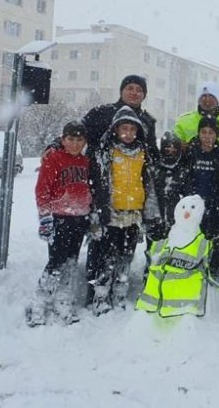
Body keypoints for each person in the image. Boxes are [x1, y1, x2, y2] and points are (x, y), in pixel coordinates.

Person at [87, 106, 161, 315]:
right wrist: (100, 211)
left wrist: (150, 212)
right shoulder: (106, 151)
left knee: (126, 257)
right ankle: (100, 296)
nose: (128, 133)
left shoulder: (143, 153)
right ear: (115, 129)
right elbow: (99, 184)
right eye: (124, 129)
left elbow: (148, 184)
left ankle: (120, 293)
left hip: (133, 214)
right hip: (111, 214)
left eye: (132, 129)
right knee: (107, 258)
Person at [27, 121, 92, 326]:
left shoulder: (85, 161)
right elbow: (42, 190)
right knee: (56, 261)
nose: (74, 144)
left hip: (79, 218)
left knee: (71, 262)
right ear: (63, 140)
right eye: (70, 139)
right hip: (59, 218)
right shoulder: (53, 159)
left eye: (79, 140)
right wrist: (45, 218)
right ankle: (40, 301)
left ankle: (63, 301)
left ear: (84, 142)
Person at [180, 116, 219, 281]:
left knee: (215, 241)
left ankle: (214, 267)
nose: (207, 136)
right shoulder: (190, 153)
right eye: (203, 132)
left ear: (217, 134)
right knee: (191, 238)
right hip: (192, 207)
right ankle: (191, 265)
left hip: (215, 206)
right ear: (198, 133)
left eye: (211, 132)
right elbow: (182, 179)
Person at [136, 195, 213, 317]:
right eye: (183, 207)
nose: (187, 212)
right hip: (150, 309)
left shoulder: (202, 243)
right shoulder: (165, 240)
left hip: (185, 310)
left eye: (192, 208)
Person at [143, 132, 186, 279]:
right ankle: (149, 279)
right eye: (167, 148)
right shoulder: (153, 168)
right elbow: (147, 194)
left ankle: (169, 279)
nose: (170, 151)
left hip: (176, 223)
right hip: (154, 219)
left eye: (174, 148)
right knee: (153, 252)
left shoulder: (183, 170)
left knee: (173, 253)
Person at [174, 81, 219, 155]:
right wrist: (179, 147)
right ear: (198, 100)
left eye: (211, 96)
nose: (207, 100)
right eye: (204, 96)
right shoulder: (183, 122)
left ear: (217, 100)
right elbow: (173, 146)